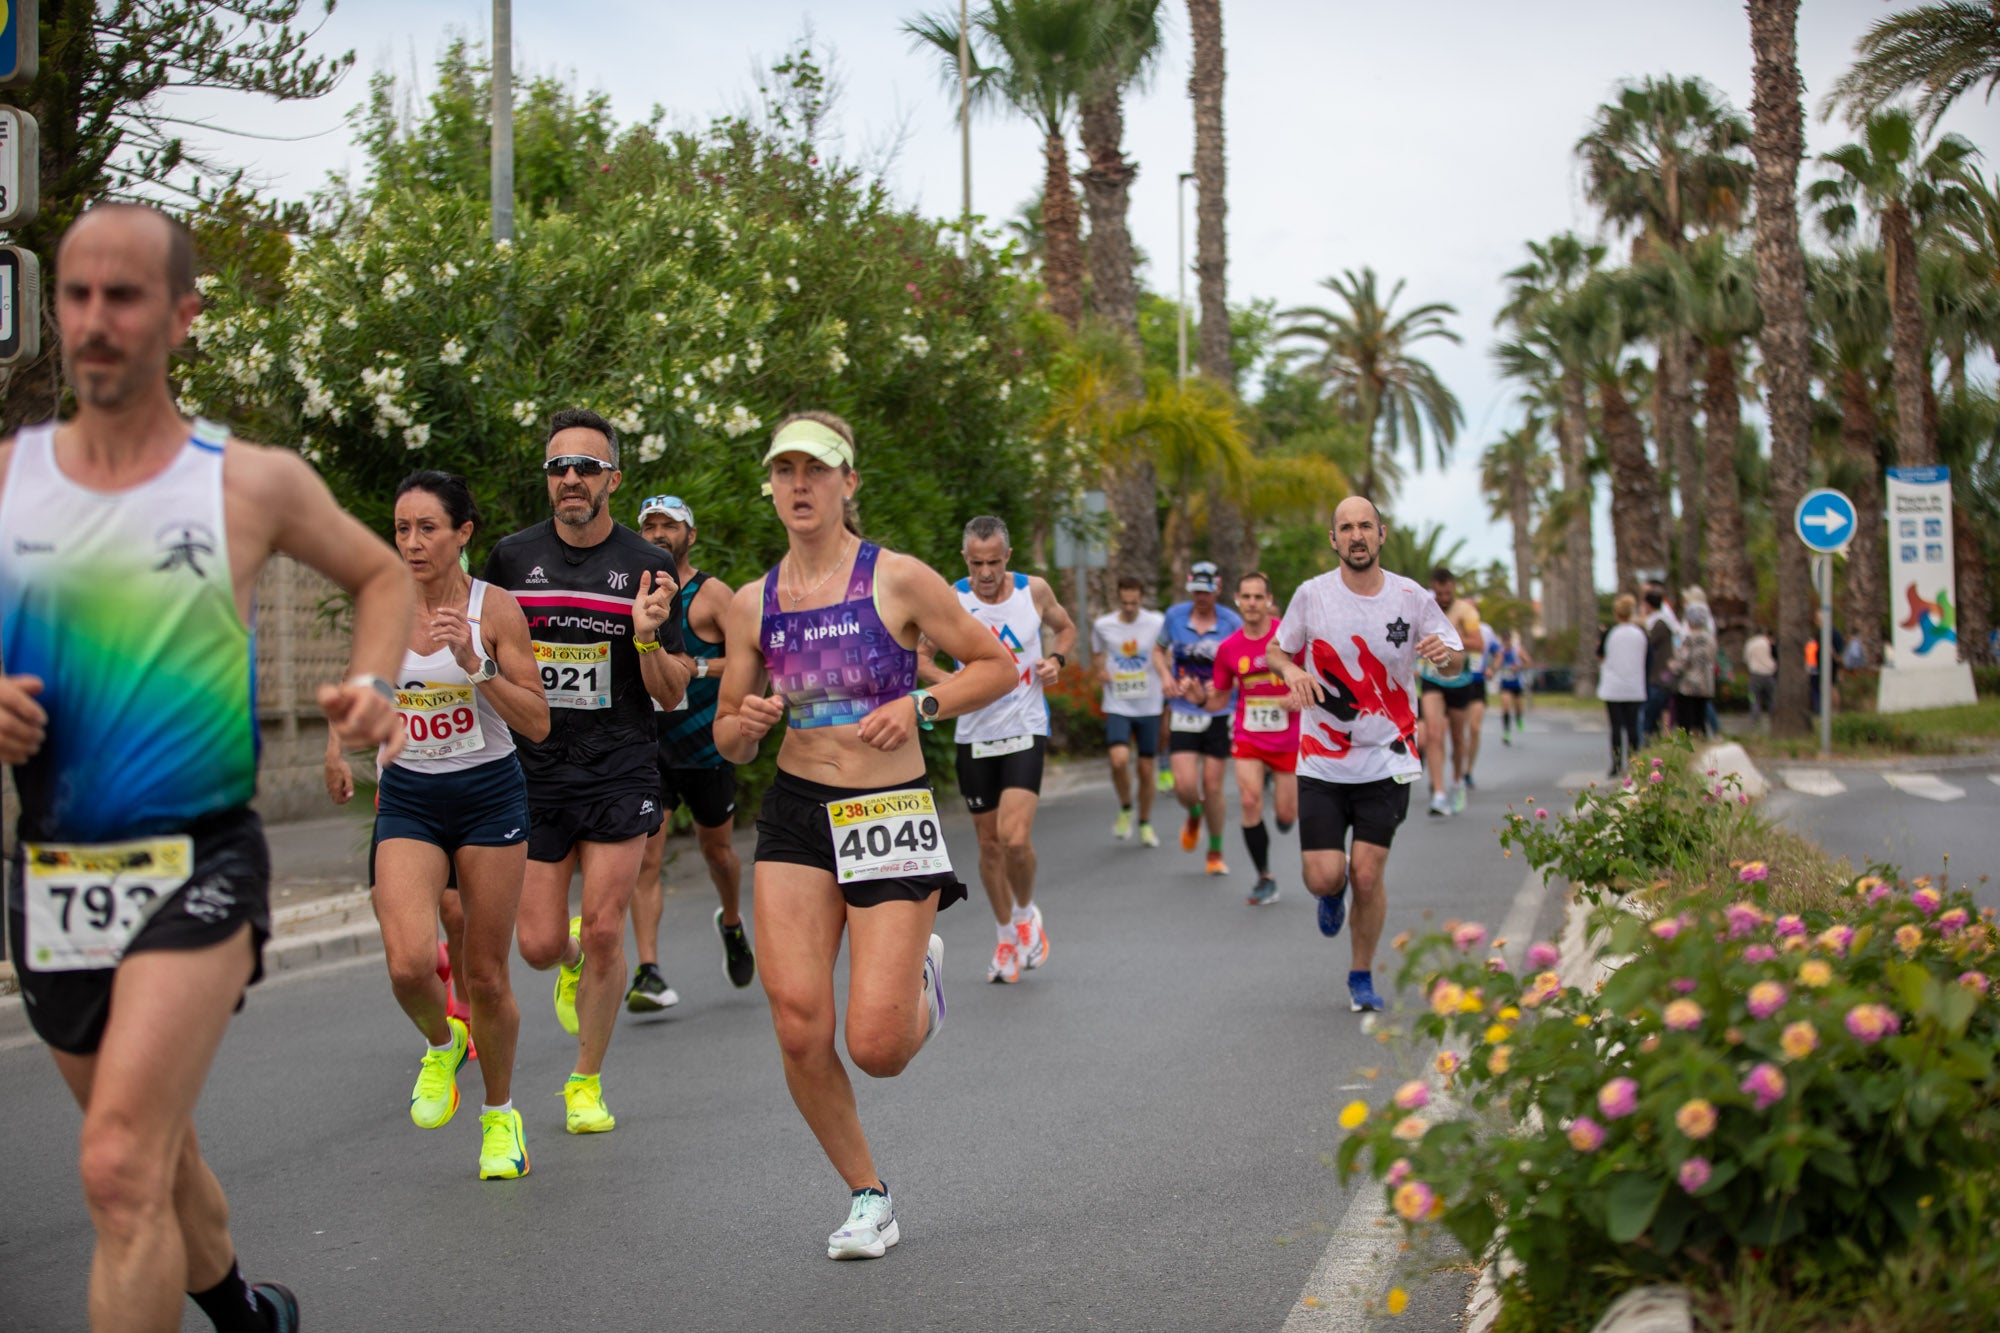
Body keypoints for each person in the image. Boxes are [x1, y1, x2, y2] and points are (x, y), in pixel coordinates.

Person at [1, 203, 411, 1332]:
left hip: (199, 861)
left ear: (181, 316)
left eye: (122, 295)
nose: (93, 320)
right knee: (150, 1154)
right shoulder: (9, 480)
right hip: (55, 871)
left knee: (116, 1164)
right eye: (75, 294)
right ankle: (243, 1311)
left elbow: (380, 578)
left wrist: (370, 689)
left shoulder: (247, 482)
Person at [714, 411, 1014, 1259]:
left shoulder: (902, 580)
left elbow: (995, 667)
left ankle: (922, 977)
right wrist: (750, 720)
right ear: (770, 486)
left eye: (818, 470)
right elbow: (728, 741)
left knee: (876, 1046)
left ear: (849, 482)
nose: (799, 485)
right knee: (798, 1022)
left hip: (888, 815)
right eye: (785, 471)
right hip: (799, 815)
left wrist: (918, 704)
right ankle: (867, 1194)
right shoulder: (753, 604)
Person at [323, 471, 547, 1179]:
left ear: (463, 534)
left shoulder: (497, 610)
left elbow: (538, 722)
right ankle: (441, 1041)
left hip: (488, 795)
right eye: (402, 529)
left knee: (486, 974)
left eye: (427, 528)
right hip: (412, 795)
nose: (412, 542)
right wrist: (337, 743)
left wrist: (474, 665)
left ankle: (500, 1114)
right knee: (408, 962)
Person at [482, 409, 691, 1136]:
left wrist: (645, 637)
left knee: (605, 927)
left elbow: (670, 690)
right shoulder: (509, 560)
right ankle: (569, 961)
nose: (570, 478)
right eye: (558, 467)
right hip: (535, 769)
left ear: (613, 479)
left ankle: (585, 1081)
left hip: (620, 766)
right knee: (540, 943)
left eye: (586, 467)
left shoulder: (649, 567)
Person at [1268, 498, 1460, 1013]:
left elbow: (1454, 653)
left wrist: (1445, 656)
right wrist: (1291, 672)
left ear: (1382, 534)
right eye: (1346, 528)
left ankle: (1360, 975)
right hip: (1323, 760)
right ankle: (1331, 893)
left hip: (1388, 757)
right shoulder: (1312, 595)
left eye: (1365, 527)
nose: (1356, 536)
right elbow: (1277, 650)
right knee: (1325, 876)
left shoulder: (1411, 596)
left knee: (1368, 875)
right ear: (1334, 539)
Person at [920, 516, 1075, 985]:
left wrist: (1056, 660)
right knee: (988, 846)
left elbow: (1065, 629)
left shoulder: (1035, 591)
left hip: (1026, 727)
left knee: (1014, 839)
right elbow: (921, 656)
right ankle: (1006, 935)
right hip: (974, 734)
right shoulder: (952, 598)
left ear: (1007, 557)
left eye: (992, 562)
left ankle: (1027, 914)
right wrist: (954, 685)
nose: (984, 573)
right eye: (975, 563)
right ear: (965, 559)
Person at [625, 493, 755, 1013]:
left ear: (690, 535)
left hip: (704, 743)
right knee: (646, 857)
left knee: (717, 851)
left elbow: (753, 658)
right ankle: (649, 971)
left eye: (669, 525)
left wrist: (693, 668)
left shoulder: (711, 595)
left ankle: (730, 921)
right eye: (650, 525)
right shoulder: (627, 590)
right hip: (647, 745)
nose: (658, 533)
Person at [1205, 572, 1299, 906]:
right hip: (1249, 735)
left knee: (1287, 815)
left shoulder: (1289, 634)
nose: (1252, 603)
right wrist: (1199, 698)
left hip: (1290, 738)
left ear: (1269, 600)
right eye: (1246, 597)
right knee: (1248, 801)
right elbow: (1218, 699)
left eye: (1258, 597)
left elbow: (1313, 675)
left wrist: (1298, 695)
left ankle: (1285, 816)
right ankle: (1264, 877)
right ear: (1237, 600)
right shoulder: (1229, 648)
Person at [1155, 561, 1243, 874]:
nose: (1201, 597)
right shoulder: (1174, 616)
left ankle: (1215, 852)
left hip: (1219, 710)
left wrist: (1223, 683)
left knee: (1213, 785)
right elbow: (1157, 650)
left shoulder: (1232, 622)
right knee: (1185, 785)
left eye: (1207, 591)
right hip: (1183, 709)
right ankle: (1194, 812)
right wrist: (1165, 674)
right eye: (1196, 591)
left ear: (1217, 589)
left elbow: (1241, 664)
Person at [1092, 576, 1167, 847]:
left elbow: (1167, 652)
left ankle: (1145, 823)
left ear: (1141, 599)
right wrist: (1101, 670)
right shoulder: (1103, 625)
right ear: (1118, 599)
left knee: (1147, 772)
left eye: (1134, 602)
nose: (1130, 607)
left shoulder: (1157, 622)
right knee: (1118, 760)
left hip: (1149, 705)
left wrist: (1168, 676)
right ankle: (1126, 806)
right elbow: (1097, 654)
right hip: (1118, 704)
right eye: (1125, 602)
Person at [1417, 566, 1483, 816]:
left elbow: (1479, 644)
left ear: (1453, 588)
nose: (1443, 598)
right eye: (1439, 593)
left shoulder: (1466, 611)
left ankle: (1457, 782)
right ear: (1433, 588)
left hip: (1460, 680)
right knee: (1434, 733)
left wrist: (1449, 637)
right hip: (1431, 678)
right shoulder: (1425, 608)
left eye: (1447, 593)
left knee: (1457, 737)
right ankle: (1439, 794)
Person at [1598, 595, 1648, 776]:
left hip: (1613, 686)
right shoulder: (1640, 634)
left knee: (1616, 727)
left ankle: (1616, 764)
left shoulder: (1610, 633)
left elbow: (1601, 655)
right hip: (1634, 685)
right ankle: (1635, 762)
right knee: (1633, 727)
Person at [1669, 603, 1718, 736]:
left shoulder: (1689, 638)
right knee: (1700, 718)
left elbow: (1684, 660)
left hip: (1689, 684)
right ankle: (1701, 739)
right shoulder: (1710, 638)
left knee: (1686, 721)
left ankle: (1689, 745)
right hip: (1706, 683)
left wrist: (1673, 666)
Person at [1640, 585, 1678, 738]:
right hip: (1659, 674)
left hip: (1658, 675)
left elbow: (1648, 645)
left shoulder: (1659, 624)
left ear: (1648, 605)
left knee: (1652, 713)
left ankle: (1651, 740)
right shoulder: (1662, 622)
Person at [1496, 630, 1530, 744]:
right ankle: (1506, 733)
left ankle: (1519, 718)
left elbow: (1528, 662)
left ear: (1511, 640)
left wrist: (1518, 666)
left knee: (1518, 706)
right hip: (1505, 683)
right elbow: (1497, 663)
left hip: (1516, 683)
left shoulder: (1517, 650)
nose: (1506, 643)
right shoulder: (1500, 651)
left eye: (1508, 640)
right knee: (1505, 706)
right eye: (1504, 641)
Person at [1744, 624, 1777, 729]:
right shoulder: (1768, 643)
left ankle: (1754, 718)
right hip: (1769, 674)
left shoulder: (1750, 643)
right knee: (1772, 697)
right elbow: (1775, 656)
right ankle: (1774, 717)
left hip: (1754, 674)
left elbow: (1746, 659)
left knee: (1753, 697)